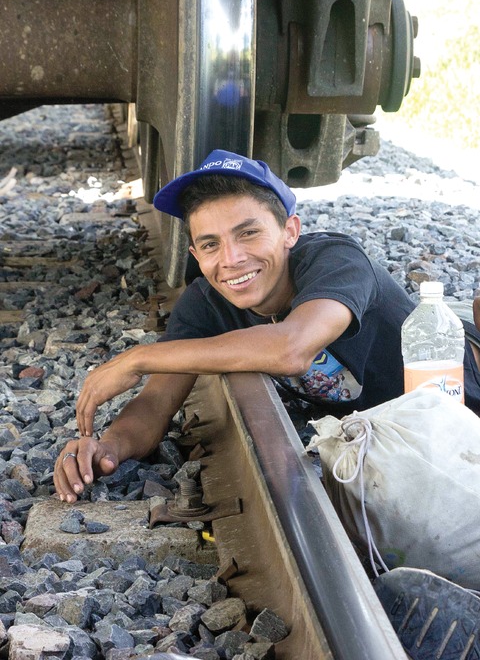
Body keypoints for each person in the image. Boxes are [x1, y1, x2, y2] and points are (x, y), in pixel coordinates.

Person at [53, 149, 480, 503]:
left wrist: (138, 357)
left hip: (464, 403)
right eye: (210, 245)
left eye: (248, 234)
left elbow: (290, 349)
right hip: (397, 437)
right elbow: (155, 404)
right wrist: (107, 447)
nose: (231, 259)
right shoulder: (206, 303)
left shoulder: (336, 260)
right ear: (196, 255)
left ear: (290, 231)